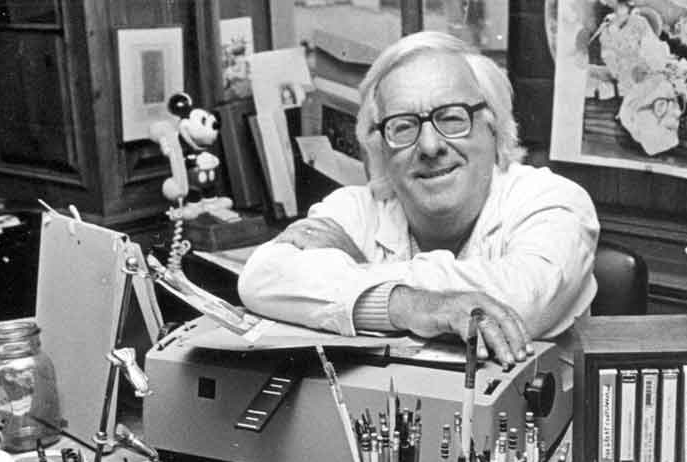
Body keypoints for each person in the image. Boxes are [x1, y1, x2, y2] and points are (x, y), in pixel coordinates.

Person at [237, 32, 599, 366]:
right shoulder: (355, 207)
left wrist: (360, 271)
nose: (429, 146)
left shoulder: (555, 202)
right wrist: (405, 304)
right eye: (404, 126)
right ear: (379, 146)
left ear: (493, 126)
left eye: (452, 118)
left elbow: (521, 300)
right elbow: (259, 278)